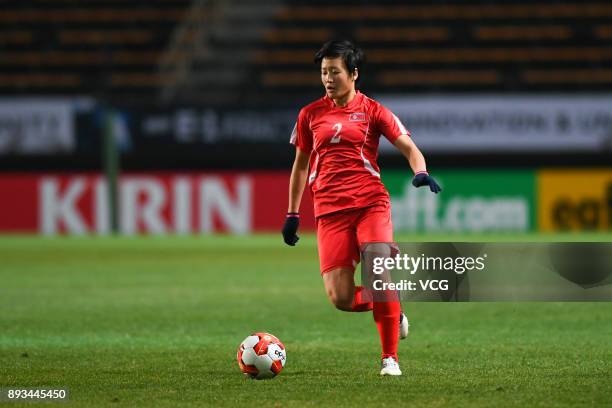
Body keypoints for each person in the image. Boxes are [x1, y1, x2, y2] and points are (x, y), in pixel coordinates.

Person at [282, 40, 441, 376]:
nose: (328, 78)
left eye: (334, 71)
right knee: (340, 297)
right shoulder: (309, 114)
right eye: (324, 72)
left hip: (370, 204)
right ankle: (392, 309)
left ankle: (390, 359)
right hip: (329, 211)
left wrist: (421, 172)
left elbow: (409, 147)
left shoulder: (373, 111)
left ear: (354, 74)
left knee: (378, 273)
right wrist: (292, 214)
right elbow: (299, 166)